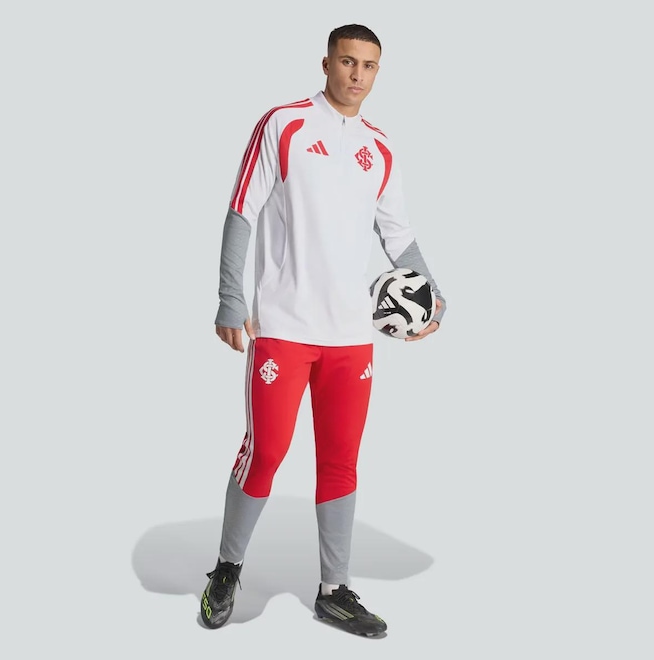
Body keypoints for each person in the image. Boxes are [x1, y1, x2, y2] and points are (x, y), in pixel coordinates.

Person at [200, 23, 447, 637]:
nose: (357, 74)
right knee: (267, 451)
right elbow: (241, 211)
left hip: (351, 337)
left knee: (341, 461)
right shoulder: (283, 124)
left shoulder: (379, 147)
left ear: (378, 72)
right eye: (347, 61)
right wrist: (231, 298)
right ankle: (227, 569)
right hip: (283, 328)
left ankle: (333, 591)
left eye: (369, 65)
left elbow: (399, 236)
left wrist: (432, 298)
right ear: (327, 63)